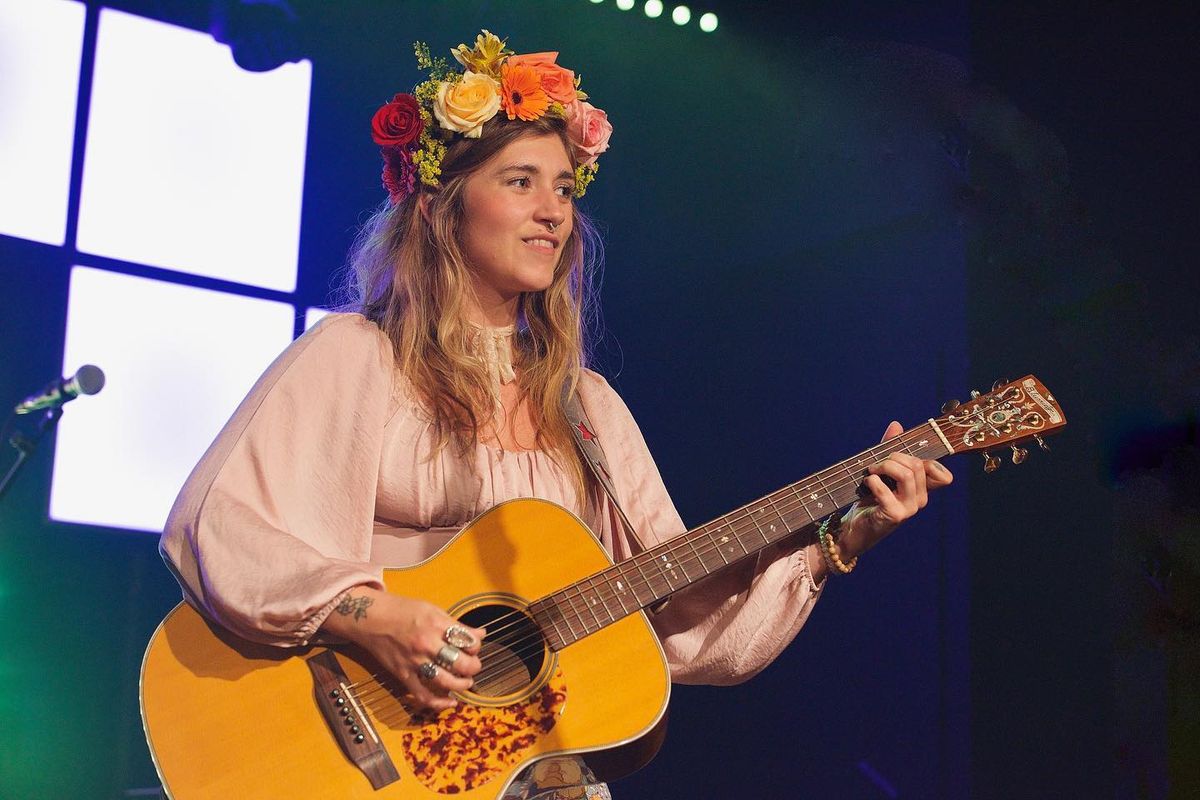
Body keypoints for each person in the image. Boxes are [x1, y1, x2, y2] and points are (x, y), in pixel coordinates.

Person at [159, 30, 953, 800]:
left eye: (565, 189)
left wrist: (834, 542)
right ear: (442, 205)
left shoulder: (588, 408)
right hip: (368, 754)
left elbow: (678, 623)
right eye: (520, 182)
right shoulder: (356, 356)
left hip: (536, 776)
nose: (553, 212)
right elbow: (216, 526)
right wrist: (369, 614)